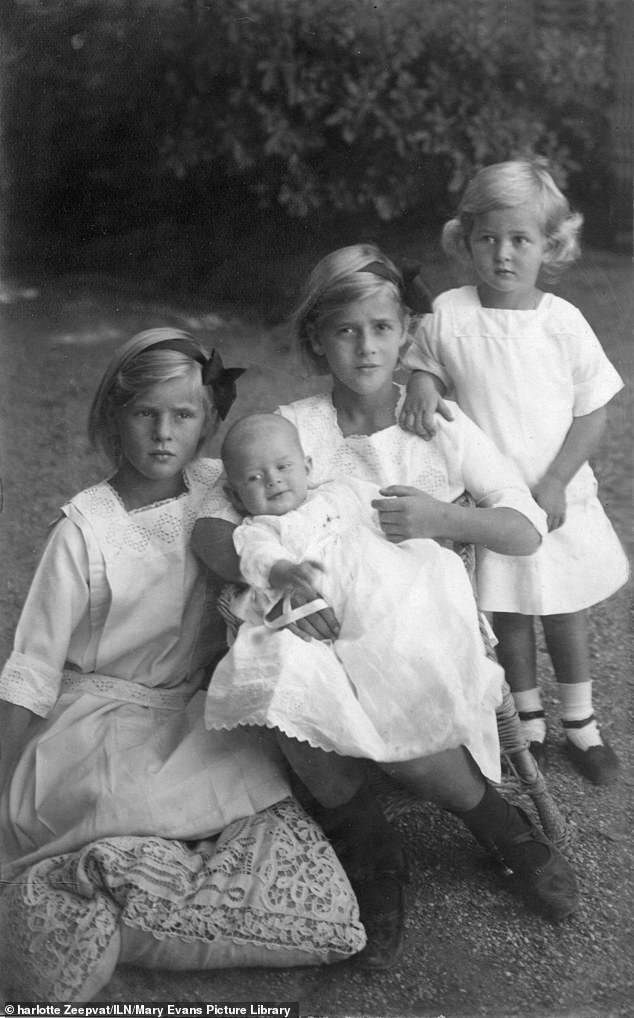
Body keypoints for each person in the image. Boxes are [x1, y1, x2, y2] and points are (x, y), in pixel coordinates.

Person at [192, 244, 580, 968]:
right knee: (279, 673)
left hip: (412, 612)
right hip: (309, 615)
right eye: (344, 331)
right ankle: (375, 860)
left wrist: (446, 520)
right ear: (317, 340)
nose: (365, 346)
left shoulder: (434, 420)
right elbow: (215, 528)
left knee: (398, 676)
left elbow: (524, 528)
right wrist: (279, 586)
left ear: (406, 331)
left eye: (379, 327)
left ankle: (499, 824)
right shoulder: (296, 426)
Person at [0, 329, 366, 1001]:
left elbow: (274, 537)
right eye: (145, 414)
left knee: (262, 775)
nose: (164, 434)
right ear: (115, 417)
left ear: (210, 420)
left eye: (184, 415)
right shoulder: (83, 529)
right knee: (119, 797)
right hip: (98, 716)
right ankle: (107, 882)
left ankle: (160, 881)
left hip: (189, 708)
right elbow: (32, 669)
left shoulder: (217, 488)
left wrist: (295, 595)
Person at [400, 159, 629, 785]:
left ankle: (580, 721)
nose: (502, 255)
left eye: (520, 240)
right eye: (488, 239)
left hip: (551, 494)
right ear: (466, 240)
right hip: (494, 499)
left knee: (562, 605)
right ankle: (526, 715)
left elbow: (593, 413)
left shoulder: (561, 323)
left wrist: (555, 479)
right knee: (508, 610)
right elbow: (429, 362)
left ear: (550, 246)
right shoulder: (449, 312)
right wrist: (422, 383)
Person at [206, 412, 504, 772]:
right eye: (254, 478)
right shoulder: (260, 528)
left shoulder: (342, 491)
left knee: (416, 623)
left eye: (284, 466)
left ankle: (446, 715)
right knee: (375, 657)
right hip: (344, 615)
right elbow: (258, 557)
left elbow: (388, 509)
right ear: (235, 495)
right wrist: (284, 570)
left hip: (388, 585)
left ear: (308, 466)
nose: (273, 481)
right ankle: (402, 731)